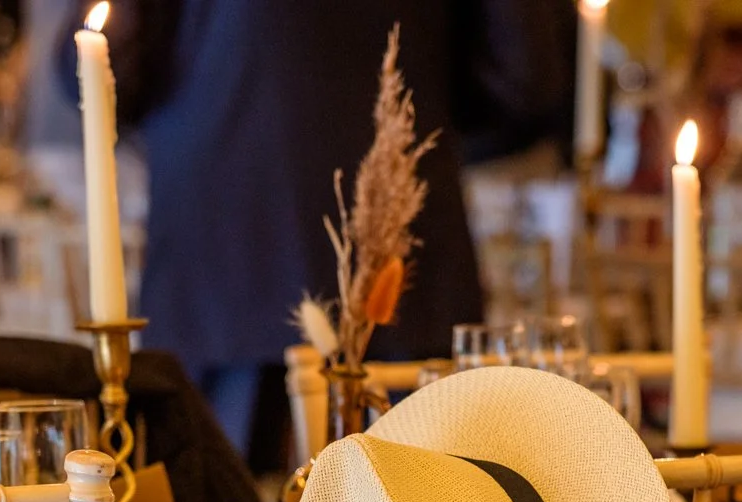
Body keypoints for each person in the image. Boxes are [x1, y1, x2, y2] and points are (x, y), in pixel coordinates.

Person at [97, 0, 568, 471]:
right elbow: (524, 76)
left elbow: (107, 63)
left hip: (222, 260)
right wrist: (421, 113)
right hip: (401, 257)